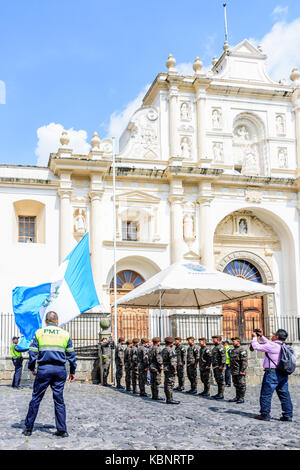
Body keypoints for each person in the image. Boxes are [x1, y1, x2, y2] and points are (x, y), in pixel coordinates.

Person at [23, 311, 76, 437]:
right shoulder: (65, 334)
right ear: (57, 321)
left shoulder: (39, 333)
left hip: (44, 370)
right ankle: (62, 430)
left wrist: (31, 367)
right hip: (59, 371)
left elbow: (32, 353)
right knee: (59, 400)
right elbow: (71, 355)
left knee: (36, 398)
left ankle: (28, 429)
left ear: (46, 322)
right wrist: (73, 371)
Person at [251, 328, 293, 422]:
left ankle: (265, 414)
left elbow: (256, 347)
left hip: (272, 373)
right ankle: (288, 415)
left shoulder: (273, 346)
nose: (272, 336)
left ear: (277, 336)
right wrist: (261, 337)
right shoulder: (284, 346)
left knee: (266, 394)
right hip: (282, 372)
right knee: (284, 394)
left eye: (274, 335)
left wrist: (254, 338)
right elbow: (270, 343)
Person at [228, 337, 248, 404]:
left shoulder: (242, 350)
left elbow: (244, 361)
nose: (233, 342)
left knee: (241, 384)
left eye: (234, 341)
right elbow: (232, 361)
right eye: (232, 341)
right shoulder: (233, 350)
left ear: (238, 341)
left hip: (240, 370)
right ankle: (237, 397)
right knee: (236, 384)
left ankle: (241, 398)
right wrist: (231, 370)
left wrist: (242, 370)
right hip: (234, 370)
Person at [162, 337, 180, 404]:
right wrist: (175, 370)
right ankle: (169, 399)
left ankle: (169, 398)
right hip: (170, 369)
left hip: (166, 368)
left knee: (167, 383)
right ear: (171, 343)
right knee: (170, 384)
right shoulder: (171, 350)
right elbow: (173, 362)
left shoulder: (164, 349)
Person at [211, 335, 226, 400]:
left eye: (214, 339)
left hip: (219, 366)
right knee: (217, 380)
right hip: (215, 366)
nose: (213, 340)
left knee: (221, 380)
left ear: (218, 340)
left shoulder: (221, 347)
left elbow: (223, 357)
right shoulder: (215, 347)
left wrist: (222, 365)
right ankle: (219, 393)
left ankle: (221, 394)